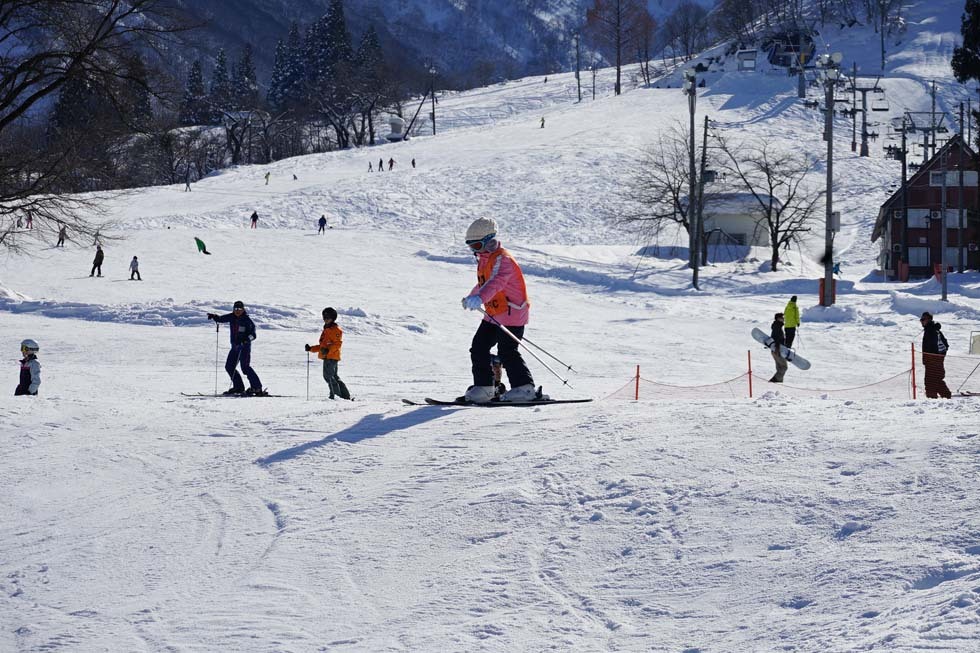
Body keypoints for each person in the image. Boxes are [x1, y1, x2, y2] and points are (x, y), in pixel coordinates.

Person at [459, 217, 536, 402]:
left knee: (507, 351)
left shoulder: (503, 259)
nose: (474, 251)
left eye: (477, 246)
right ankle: (485, 388)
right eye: (471, 247)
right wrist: (472, 296)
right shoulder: (485, 259)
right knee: (478, 347)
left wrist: (480, 298)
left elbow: (497, 282)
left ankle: (524, 389)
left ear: (489, 241)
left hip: (512, 313)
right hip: (494, 313)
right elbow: (484, 283)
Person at [206, 301, 265, 396]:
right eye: (235, 309)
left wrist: (246, 340)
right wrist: (214, 316)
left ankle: (257, 387)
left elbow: (253, 335)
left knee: (245, 368)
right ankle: (238, 387)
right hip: (234, 348)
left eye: (239, 309)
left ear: (243, 309)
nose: (237, 311)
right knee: (229, 367)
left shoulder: (247, 320)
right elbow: (221, 319)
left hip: (244, 348)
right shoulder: (232, 317)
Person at [305, 307, 351, 400]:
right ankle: (344, 396)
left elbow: (337, 344)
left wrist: (328, 351)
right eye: (324, 317)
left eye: (328, 318)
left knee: (328, 377)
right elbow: (323, 346)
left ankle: (336, 396)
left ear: (333, 318)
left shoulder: (335, 330)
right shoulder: (326, 330)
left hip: (331, 357)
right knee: (334, 377)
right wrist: (311, 349)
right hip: (328, 357)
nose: (325, 319)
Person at [920, 312, 952, 399]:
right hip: (933, 360)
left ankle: (932, 399)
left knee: (930, 381)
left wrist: (935, 358)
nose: (921, 321)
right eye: (921, 320)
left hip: (933, 361)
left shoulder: (931, 331)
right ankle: (946, 397)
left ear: (929, 320)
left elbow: (943, 345)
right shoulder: (932, 330)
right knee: (936, 380)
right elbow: (945, 345)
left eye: (923, 319)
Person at [769, 312, 788, 383]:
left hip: (776, 349)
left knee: (780, 367)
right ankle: (775, 380)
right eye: (782, 317)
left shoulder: (777, 326)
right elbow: (775, 338)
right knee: (784, 367)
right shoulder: (777, 327)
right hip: (778, 350)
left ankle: (778, 381)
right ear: (778, 318)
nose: (783, 319)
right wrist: (777, 348)